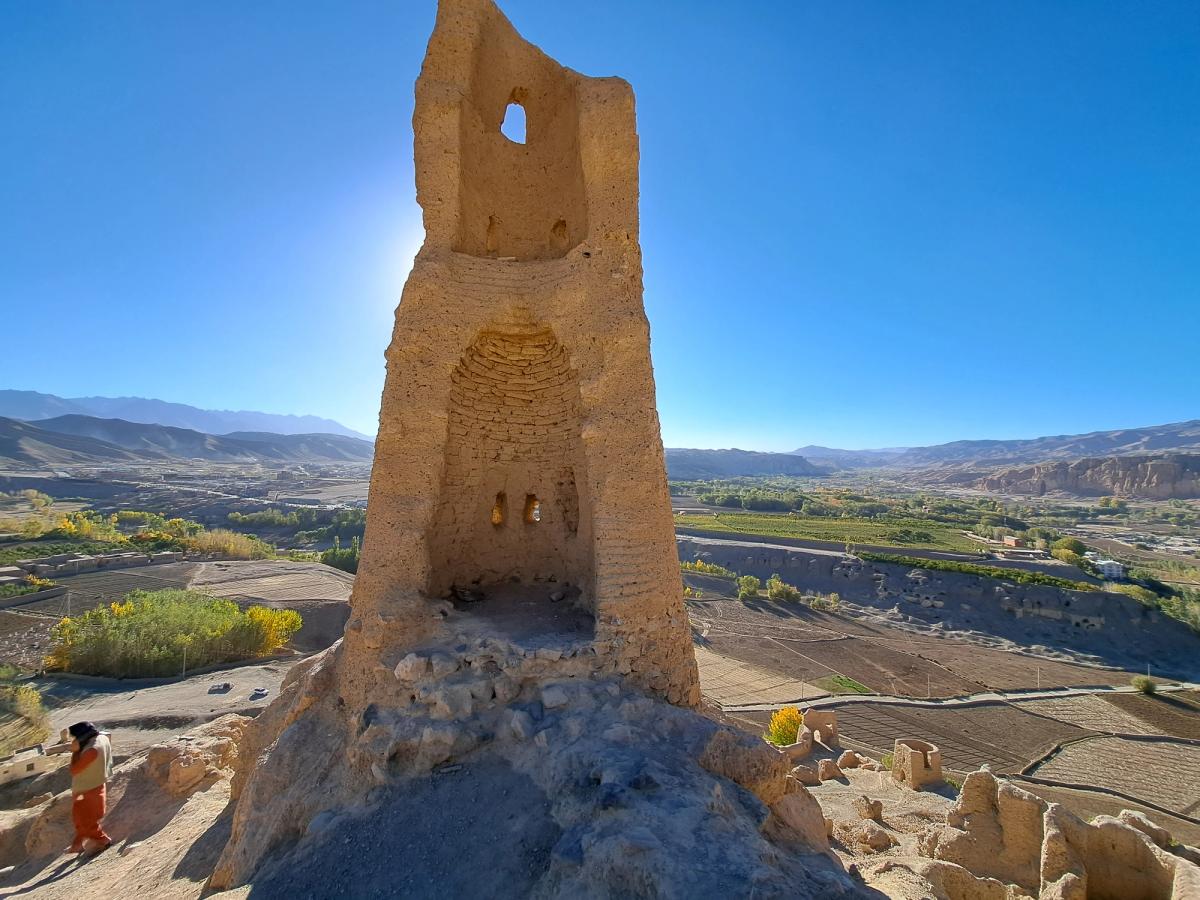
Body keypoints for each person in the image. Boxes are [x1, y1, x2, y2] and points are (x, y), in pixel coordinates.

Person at [66, 721, 113, 854]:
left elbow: (74, 770)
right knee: (81, 819)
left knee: (86, 821)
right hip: (97, 783)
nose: (74, 740)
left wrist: (75, 752)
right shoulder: (102, 738)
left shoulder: (91, 751)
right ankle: (77, 845)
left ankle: (104, 840)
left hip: (87, 790)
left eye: (76, 738)